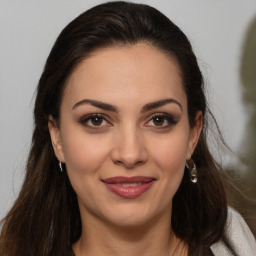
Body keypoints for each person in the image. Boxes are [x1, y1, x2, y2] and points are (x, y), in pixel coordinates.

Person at [0, 2, 255, 256]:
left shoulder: (236, 245)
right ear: (57, 136)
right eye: (97, 120)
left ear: (193, 134)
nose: (130, 154)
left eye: (158, 120)